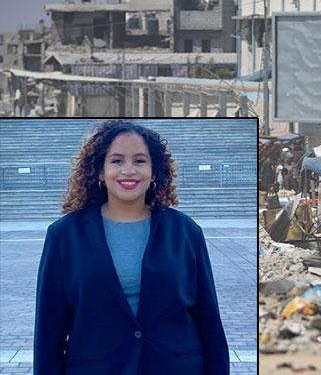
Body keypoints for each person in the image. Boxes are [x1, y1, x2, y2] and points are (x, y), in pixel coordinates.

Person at [34, 120, 229, 374]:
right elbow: (49, 332)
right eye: (116, 161)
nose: (128, 170)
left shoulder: (185, 232)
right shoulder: (64, 235)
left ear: (154, 170)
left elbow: (209, 322)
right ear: (100, 171)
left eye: (139, 160)